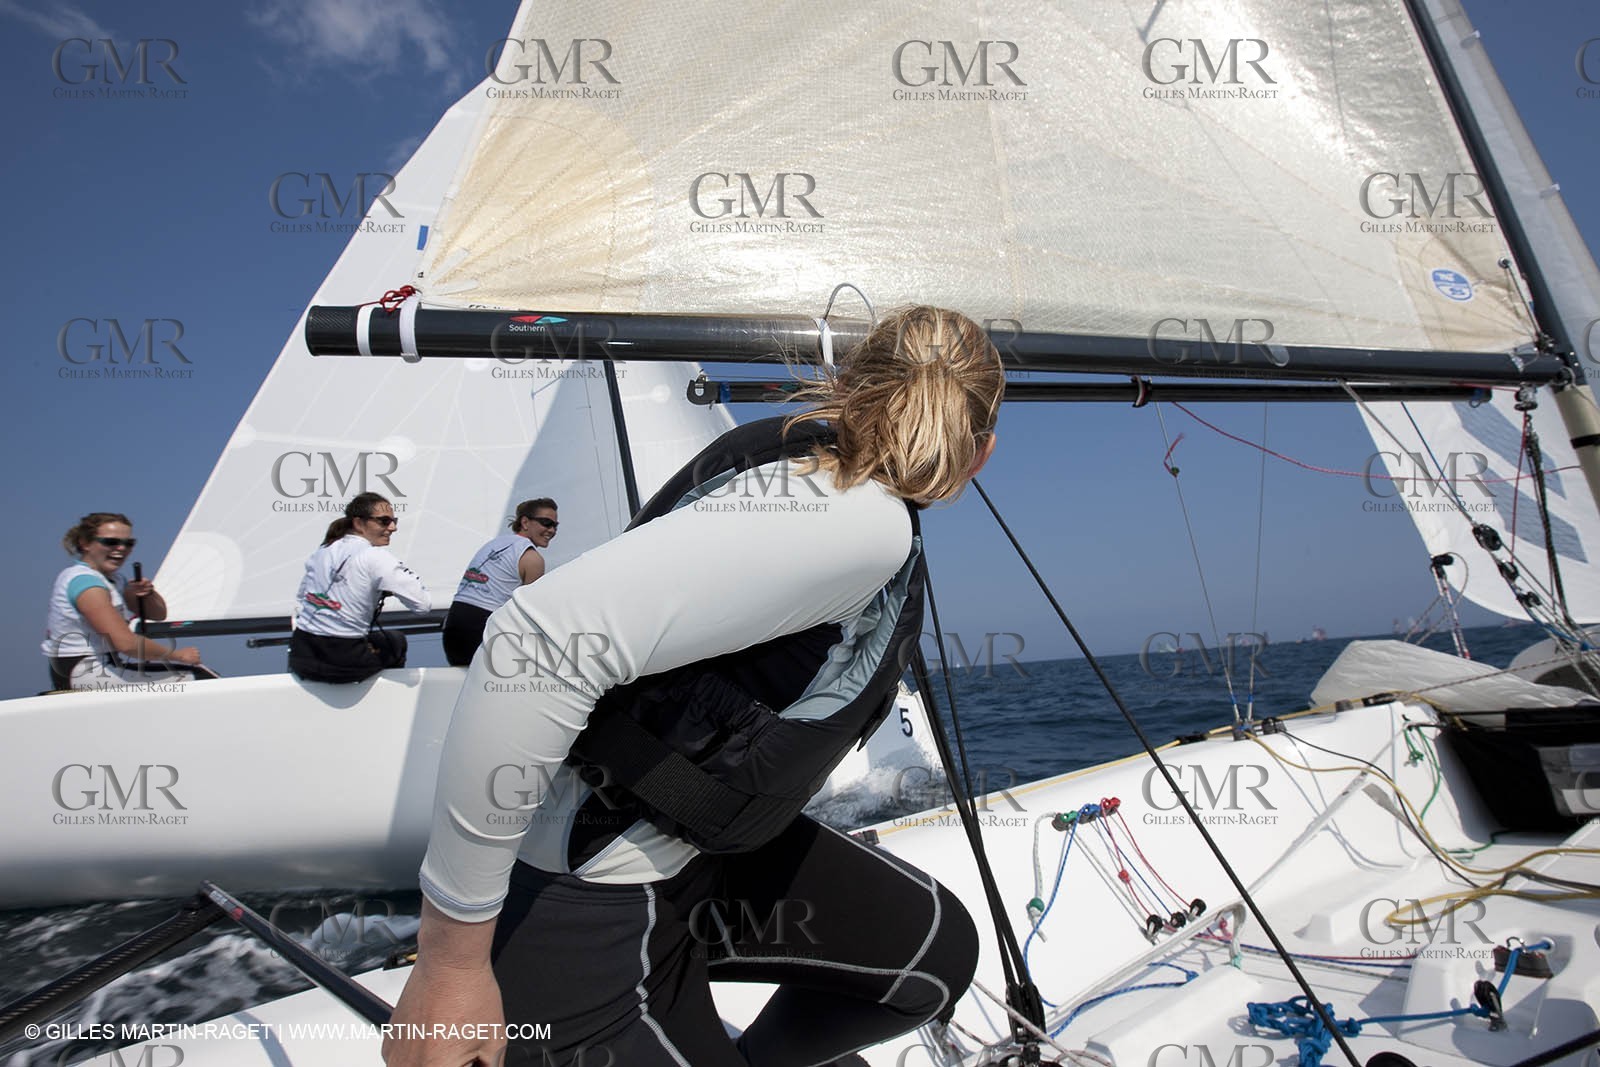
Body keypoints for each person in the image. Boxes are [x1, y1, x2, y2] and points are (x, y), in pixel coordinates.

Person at [384, 306, 1003, 1067]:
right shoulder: (856, 518)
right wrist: (450, 963)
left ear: (851, 386)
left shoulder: (807, 476)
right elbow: (534, 642)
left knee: (934, 948)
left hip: (694, 859)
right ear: (981, 452)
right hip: (594, 903)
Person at [42, 512, 210, 690]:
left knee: (197, 676)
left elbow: (158, 614)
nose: (121, 548)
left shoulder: (113, 580)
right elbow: (126, 643)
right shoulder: (86, 584)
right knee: (201, 679)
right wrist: (177, 655)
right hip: (83, 671)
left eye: (128, 543)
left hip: (101, 667)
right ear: (85, 544)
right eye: (111, 542)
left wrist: (148, 593)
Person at [288, 492, 431, 684]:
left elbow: (302, 598)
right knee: (395, 640)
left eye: (394, 520)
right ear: (358, 523)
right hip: (343, 662)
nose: (393, 527)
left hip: (301, 655)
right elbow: (423, 605)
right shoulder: (376, 557)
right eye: (384, 521)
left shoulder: (322, 551)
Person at [441, 498, 558, 667]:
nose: (551, 530)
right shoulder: (532, 559)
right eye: (546, 523)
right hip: (480, 634)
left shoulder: (493, 544)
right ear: (525, 522)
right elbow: (531, 614)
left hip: (452, 632)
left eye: (555, 526)